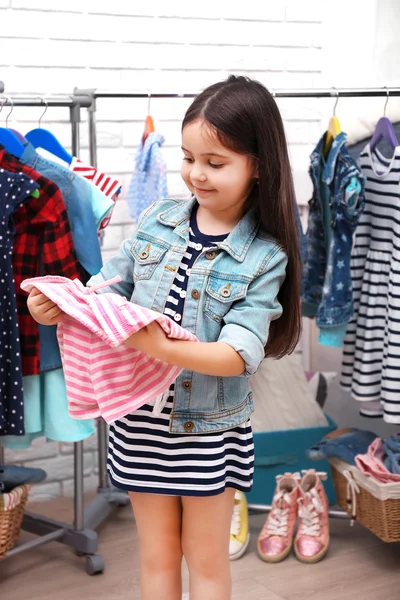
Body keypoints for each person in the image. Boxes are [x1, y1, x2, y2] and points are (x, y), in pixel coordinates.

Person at [26, 75, 302, 600]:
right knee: (154, 557)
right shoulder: (156, 221)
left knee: (206, 562)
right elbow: (103, 289)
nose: (196, 174)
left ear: (258, 165)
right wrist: (56, 306)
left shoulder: (265, 257)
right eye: (188, 157)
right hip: (139, 425)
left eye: (215, 163)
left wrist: (154, 345)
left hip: (208, 433)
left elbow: (237, 355)